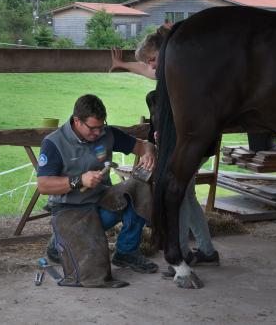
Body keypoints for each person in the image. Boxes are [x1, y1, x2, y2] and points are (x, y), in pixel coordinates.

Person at [109, 30, 220, 269]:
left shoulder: (185, 73)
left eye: (152, 58)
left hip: (192, 143)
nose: (151, 65)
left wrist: (169, 133)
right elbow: (146, 70)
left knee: (177, 195)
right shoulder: (168, 72)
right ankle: (207, 250)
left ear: (167, 51)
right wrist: (122, 64)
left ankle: (179, 254)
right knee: (187, 196)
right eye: (148, 61)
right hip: (192, 143)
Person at [38, 94, 159, 274]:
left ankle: (126, 252)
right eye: (93, 128)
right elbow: (44, 185)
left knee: (139, 187)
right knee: (94, 270)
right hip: (71, 210)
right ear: (77, 121)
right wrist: (79, 180)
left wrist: (149, 152)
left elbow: (143, 146)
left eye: (101, 127)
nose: (98, 133)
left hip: (101, 203)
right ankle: (59, 243)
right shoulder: (54, 143)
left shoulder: (107, 133)